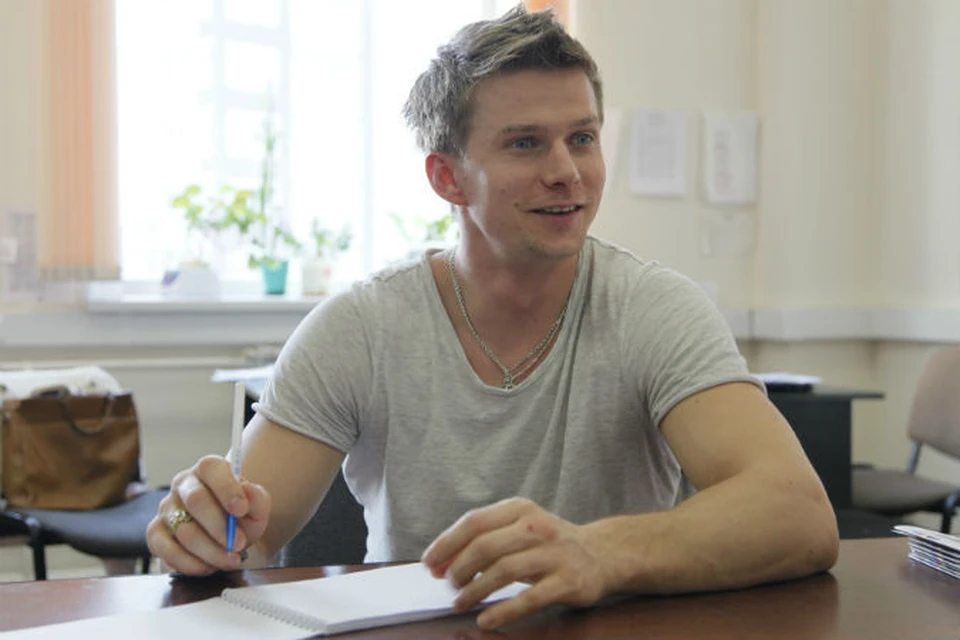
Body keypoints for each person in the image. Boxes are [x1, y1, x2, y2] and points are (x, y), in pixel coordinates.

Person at [147, 5, 838, 631]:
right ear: (447, 177)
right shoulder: (358, 329)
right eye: (525, 143)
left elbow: (797, 513)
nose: (567, 171)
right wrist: (201, 531)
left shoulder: (656, 308)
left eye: (582, 137)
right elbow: (247, 536)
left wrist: (596, 551)